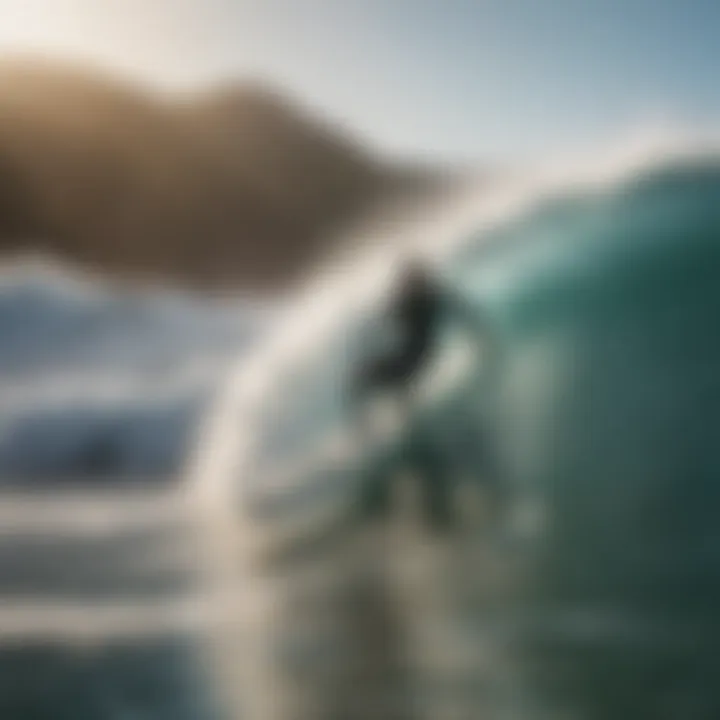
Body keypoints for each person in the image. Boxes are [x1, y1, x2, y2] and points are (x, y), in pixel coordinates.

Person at [351, 257, 503, 533]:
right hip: (409, 358)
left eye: (413, 280)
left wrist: (482, 339)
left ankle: (376, 435)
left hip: (416, 358)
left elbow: (463, 313)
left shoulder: (434, 296)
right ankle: (387, 430)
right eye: (408, 281)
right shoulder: (407, 300)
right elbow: (383, 319)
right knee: (370, 382)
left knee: (367, 381)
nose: (409, 285)